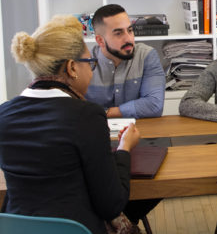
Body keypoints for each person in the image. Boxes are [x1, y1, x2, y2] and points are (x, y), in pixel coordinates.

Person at [0, 15, 141, 234]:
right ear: (72, 68)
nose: (91, 71)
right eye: (90, 63)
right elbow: (112, 203)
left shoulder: (3, 114)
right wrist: (124, 148)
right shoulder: (86, 116)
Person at [86, 4, 165, 119]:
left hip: (139, 133)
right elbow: (73, 108)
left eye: (130, 30)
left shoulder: (146, 56)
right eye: (118, 33)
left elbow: (154, 105)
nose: (128, 39)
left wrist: (105, 113)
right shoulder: (85, 63)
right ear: (100, 40)